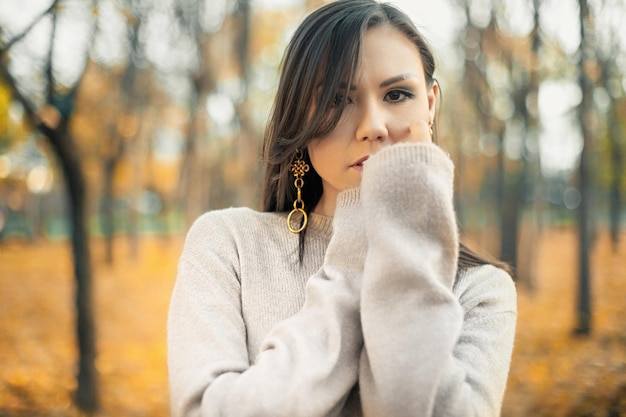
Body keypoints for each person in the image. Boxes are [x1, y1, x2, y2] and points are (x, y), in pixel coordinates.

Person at [167, 0, 517, 416]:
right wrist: (358, 250)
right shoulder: (228, 246)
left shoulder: (479, 289)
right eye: (337, 99)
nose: (373, 125)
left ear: (430, 104)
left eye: (398, 94)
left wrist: (405, 239)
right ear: (300, 116)